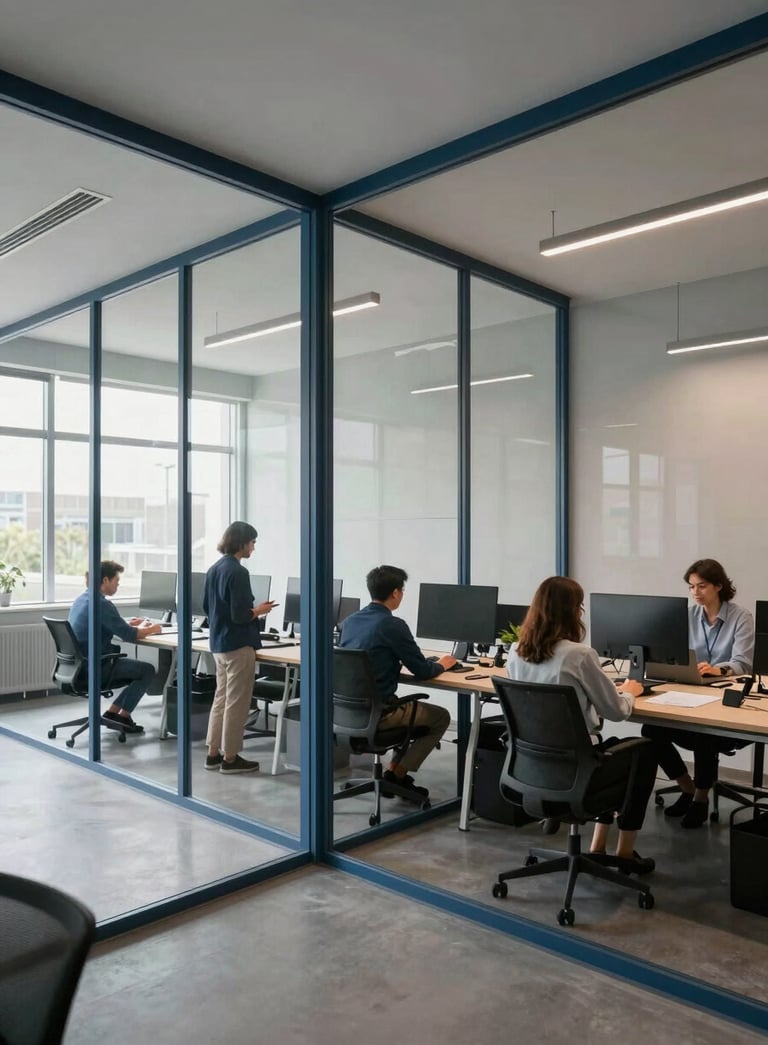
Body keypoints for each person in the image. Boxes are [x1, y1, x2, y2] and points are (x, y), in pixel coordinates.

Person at [506, 575, 658, 875]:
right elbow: (615, 712)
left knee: (608, 753)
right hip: (577, 774)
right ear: (572, 612)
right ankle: (625, 853)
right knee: (645, 752)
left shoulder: (516, 652)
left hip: (532, 771)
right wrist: (630, 691)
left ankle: (597, 846)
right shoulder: (579, 655)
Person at [641, 558, 754, 829]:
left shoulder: (741, 617)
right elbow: (672, 654)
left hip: (725, 697)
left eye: (701, 586)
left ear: (719, 586)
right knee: (651, 730)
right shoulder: (688, 617)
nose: (695, 593)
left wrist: (719, 669)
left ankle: (701, 801)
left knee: (705, 733)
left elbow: (744, 663)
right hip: (689, 692)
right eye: (691, 587)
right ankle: (688, 788)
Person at [338, 565, 455, 801]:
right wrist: (443, 664)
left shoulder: (349, 622)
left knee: (410, 713)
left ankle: (393, 772)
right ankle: (397, 775)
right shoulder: (392, 625)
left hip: (347, 713)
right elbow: (422, 670)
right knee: (440, 716)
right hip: (381, 715)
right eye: (402, 590)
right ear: (395, 593)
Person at [203, 521, 277, 774]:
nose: (253, 548)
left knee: (221, 700)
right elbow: (240, 615)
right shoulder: (238, 571)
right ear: (242, 543)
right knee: (237, 703)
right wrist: (259, 611)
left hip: (219, 645)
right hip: (238, 645)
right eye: (252, 543)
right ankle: (231, 759)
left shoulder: (214, 569)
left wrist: (251, 611)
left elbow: (206, 607)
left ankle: (213, 754)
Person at [69, 560, 162, 733]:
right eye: (116, 582)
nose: (118, 585)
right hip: (96, 667)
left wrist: (129, 624)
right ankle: (122, 715)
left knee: (142, 669)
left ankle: (113, 713)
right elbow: (129, 635)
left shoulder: (82, 599)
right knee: (147, 670)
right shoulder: (102, 605)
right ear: (105, 581)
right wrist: (154, 628)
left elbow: (114, 625)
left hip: (78, 666)